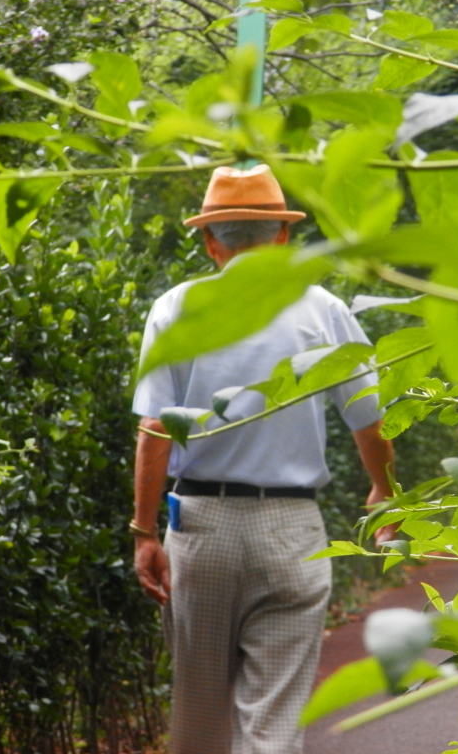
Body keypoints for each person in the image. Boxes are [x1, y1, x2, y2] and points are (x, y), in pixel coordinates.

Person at [128, 165, 395, 754]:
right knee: (274, 719)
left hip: (200, 528)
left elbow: (154, 429)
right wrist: (384, 493)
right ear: (282, 236)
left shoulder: (177, 308)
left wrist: (143, 532)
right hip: (293, 531)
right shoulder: (323, 309)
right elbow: (369, 421)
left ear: (210, 241)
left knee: (199, 715)